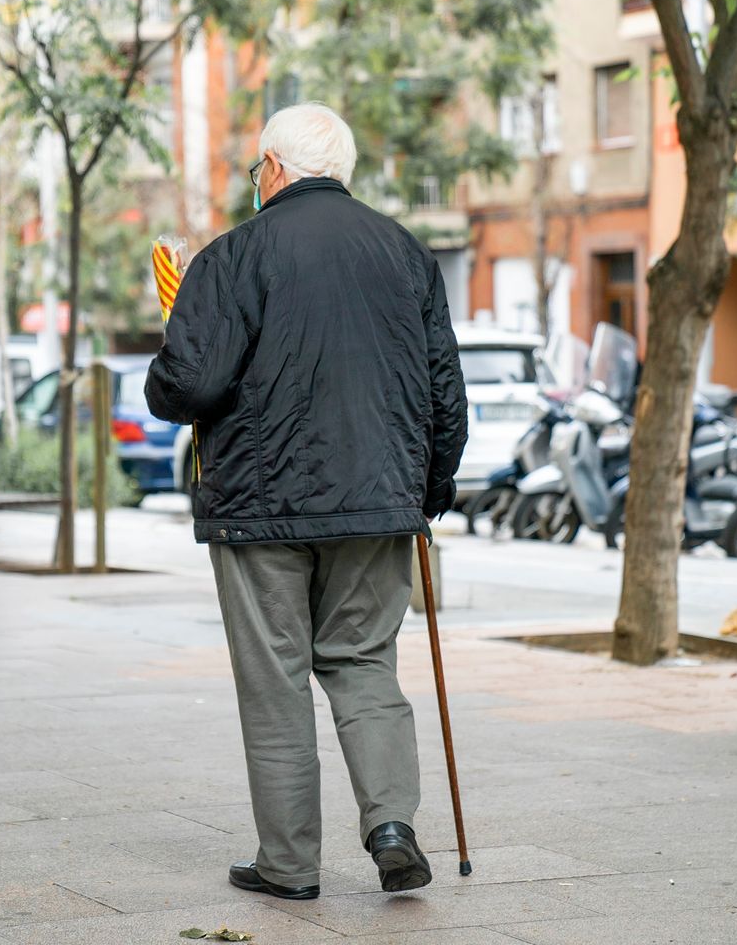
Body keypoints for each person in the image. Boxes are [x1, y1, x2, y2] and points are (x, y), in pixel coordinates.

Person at [145, 102, 468, 899]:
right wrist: (424, 496)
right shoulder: (405, 254)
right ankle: (390, 825)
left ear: (276, 169)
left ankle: (288, 866)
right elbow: (445, 396)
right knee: (363, 663)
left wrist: (180, 322)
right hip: (377, 504)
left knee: (276, 680)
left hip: (260, 510)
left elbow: (187, 386)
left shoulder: (232, 258)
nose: (257, 181)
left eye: (257, 168)